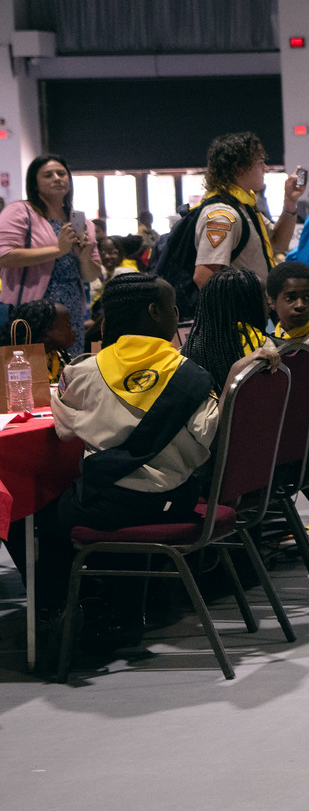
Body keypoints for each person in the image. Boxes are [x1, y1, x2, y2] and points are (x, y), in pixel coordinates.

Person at [25, 275, 220, 628]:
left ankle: (57, 612)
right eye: (173, 308)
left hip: (113, 508)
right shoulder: (193, 373)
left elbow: (65, 430)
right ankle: (125, 603)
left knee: (38, 515)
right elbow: (206, 435)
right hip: (178, 500)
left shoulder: (82, 371)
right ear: (155, 312)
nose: (177, 315)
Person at [187, 132, 303, 292]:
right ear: (239, 167)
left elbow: (278, 241)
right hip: (241, 314)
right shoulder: (222, 216)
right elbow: (204, 277)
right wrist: (236, 312)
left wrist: (290, 202)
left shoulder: (244, 206)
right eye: (260, 162)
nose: (265, 168)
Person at [0, 153, 101, 328]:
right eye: (48, 175)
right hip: (29, 309)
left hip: (72, 309)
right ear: (35, 184)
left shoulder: (83, 223)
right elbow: (5, 257)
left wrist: (83, 256)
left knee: (71, 356)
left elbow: (91, 275)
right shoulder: (20, 212)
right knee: (33, 355)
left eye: (61, 174)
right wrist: (58, 250)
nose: (57, 179)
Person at [181, 266, 273, 392]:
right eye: (263, 296)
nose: (269, 303)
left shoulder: (189, 349)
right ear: (248, 305)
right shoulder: (265, 348)